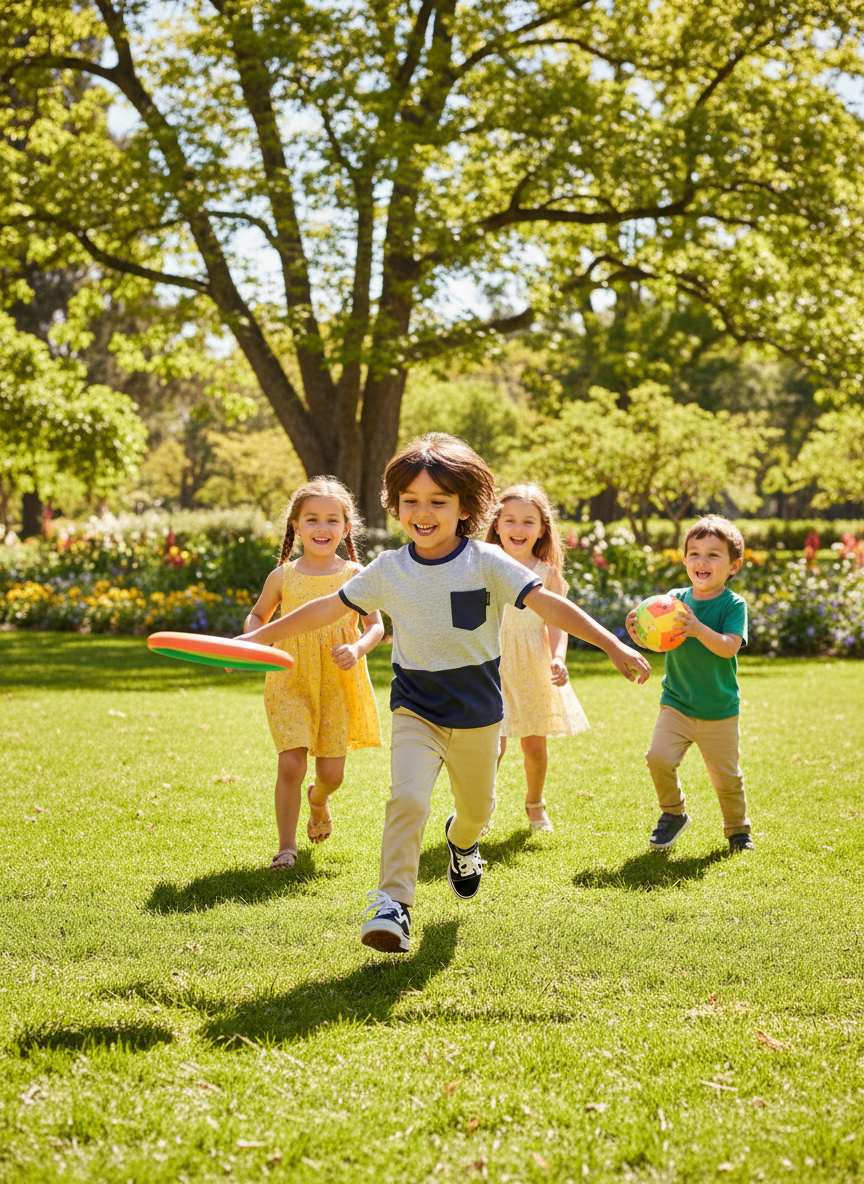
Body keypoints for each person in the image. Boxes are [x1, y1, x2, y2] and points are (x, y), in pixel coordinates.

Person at [243, 435, 651, 952]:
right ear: (394, 507)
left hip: (479, 711)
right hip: (416, 705)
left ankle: (462, 841)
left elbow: (549, 605)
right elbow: (326, 609)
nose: (423, 512)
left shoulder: (487, 562)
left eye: (438, 501)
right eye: (410, 501)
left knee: (477, 810)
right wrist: (257, 635)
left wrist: (613, 644)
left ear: (466, 508)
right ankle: (393, 903)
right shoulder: (390, 568)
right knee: (408, 798)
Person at [245, 477, 383, 871]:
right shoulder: (282, 577)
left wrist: (357, 647)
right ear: (296, 526)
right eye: (312, 520)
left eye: (331, 520)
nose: (322, 528)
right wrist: (253, 635)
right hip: (289, 676)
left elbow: (376, 626)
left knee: (332, 774)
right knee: (291, 762)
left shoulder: (357, 574)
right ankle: (286, 847)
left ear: (346, 527)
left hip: (337, 680)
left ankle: (318, 800)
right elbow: (259, 615)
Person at [625, 515, 754, 854]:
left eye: (714, 555)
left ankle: (738, 831)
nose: (702, 560)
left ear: (733, 565)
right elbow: (659, 641)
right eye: (694, 553)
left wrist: (698, 629)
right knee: (658, 758)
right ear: (684, 560)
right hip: (677, 703)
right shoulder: (672, 600)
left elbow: (728, 646)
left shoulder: (732, 604)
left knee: (727, 778)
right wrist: (638, 631)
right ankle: (673, 813)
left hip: (719, 709)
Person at [485, 483, 590, 833]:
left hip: (532, 661)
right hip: (490, 663)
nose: (518, 528)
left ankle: (535, 804)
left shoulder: (548, 573)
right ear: (496, 524)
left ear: (542, 528)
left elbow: (557, 623)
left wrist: (558, 658)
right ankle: (480, 806)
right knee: (490, 744)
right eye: (510, 520)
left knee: (533, 745)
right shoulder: (483, 565)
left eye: (528, 522)